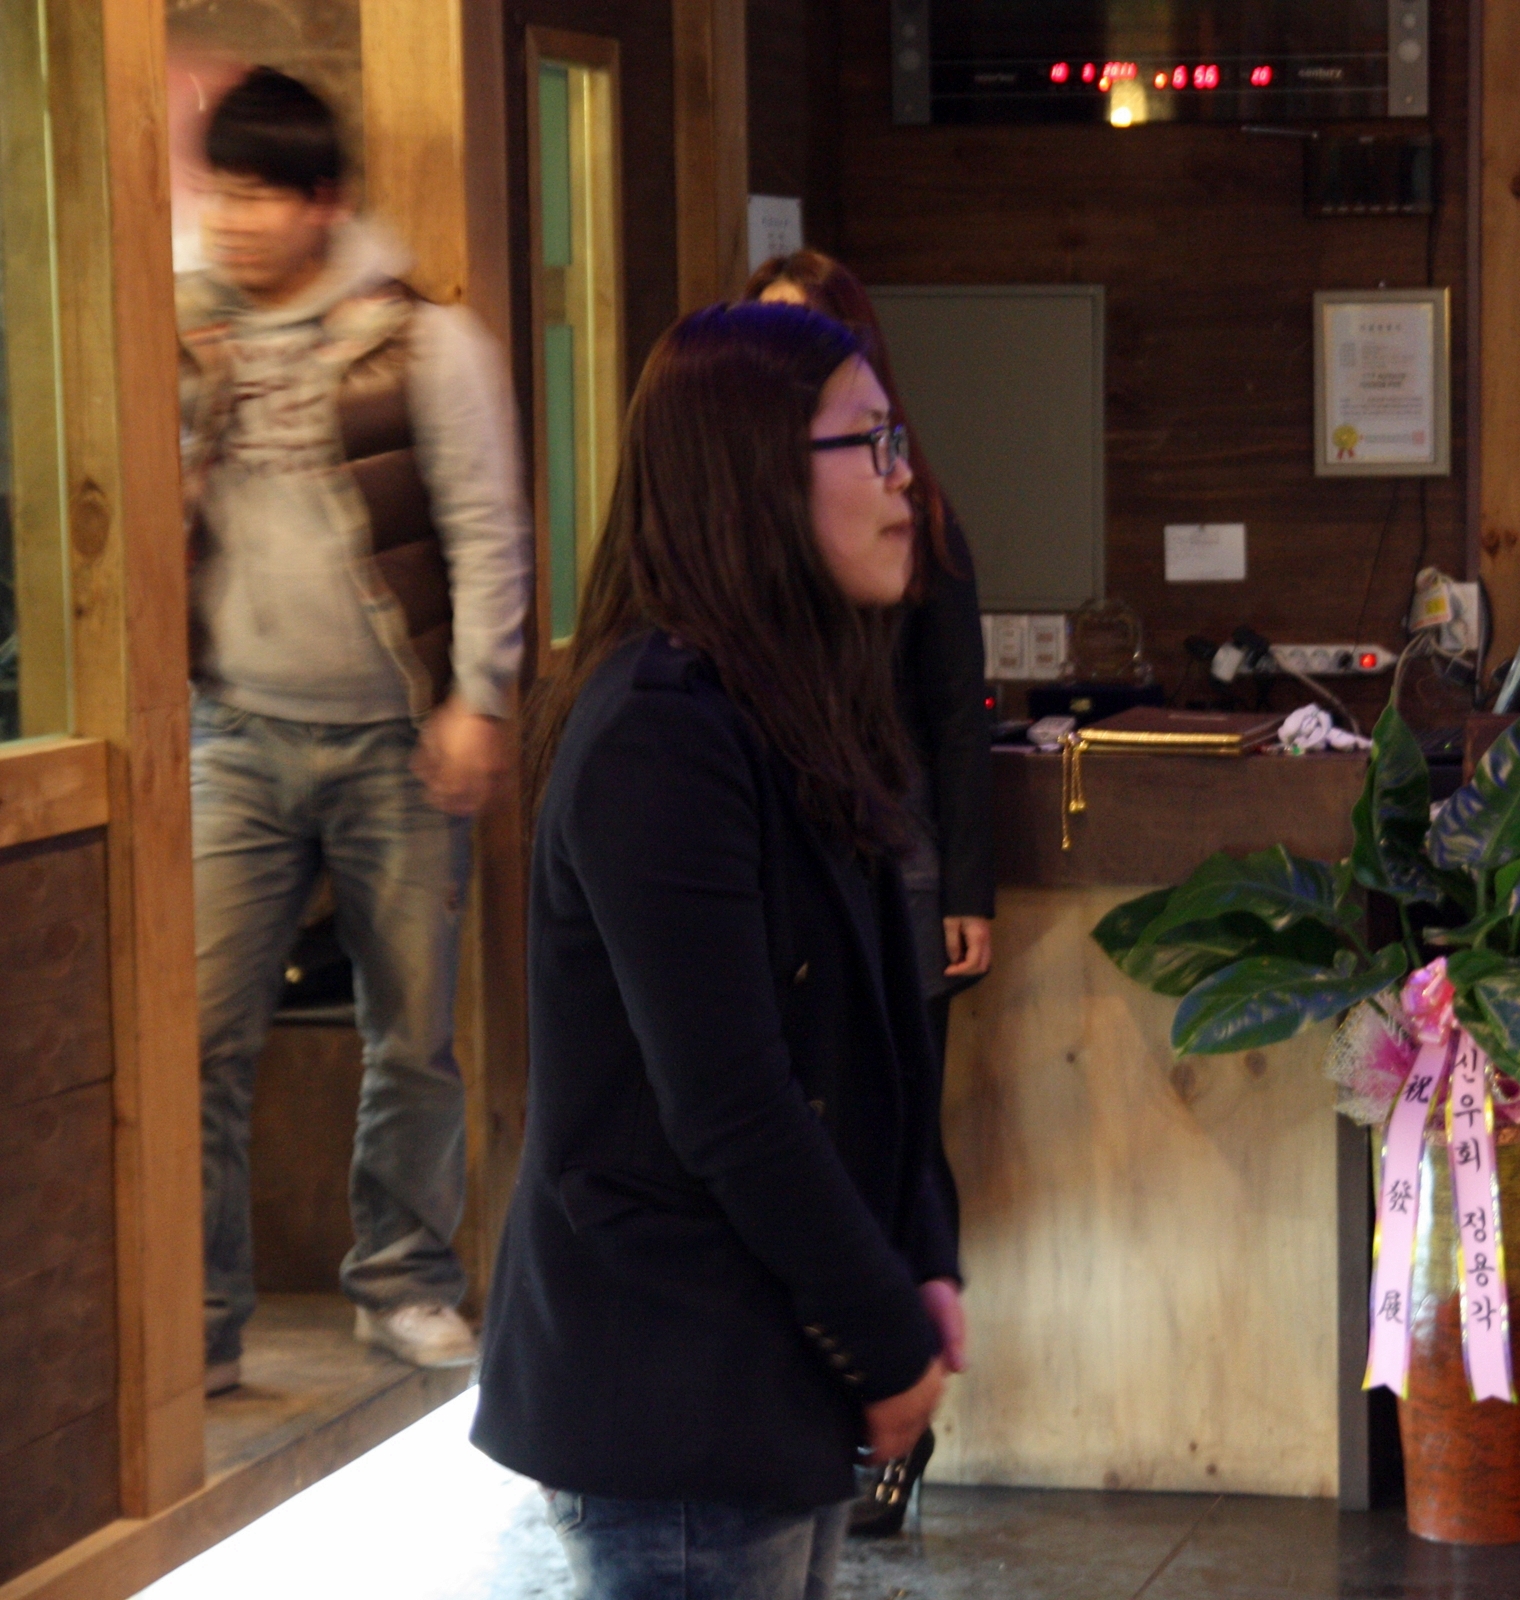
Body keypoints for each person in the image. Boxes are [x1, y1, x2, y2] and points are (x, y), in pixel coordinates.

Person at [470, 302, 964, 1600]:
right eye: (870, 443)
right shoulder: (660, 732)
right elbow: (733, 1100)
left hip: (766, 1361)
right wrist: (883, 1331)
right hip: (669, 1370)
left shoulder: (789, 702)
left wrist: (921, 1252)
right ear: (752, 476)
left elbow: (875, 1032)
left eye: (899, 438)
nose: (906, 481)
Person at [180, 67, 527, 1393]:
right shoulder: (174, 330)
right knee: (197, 1037)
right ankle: (199, 1323)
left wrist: (478, 696)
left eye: (260, 196)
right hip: (232, 731)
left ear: (323, 202)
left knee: (412, 1034)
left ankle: (403, 1280)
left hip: (395, 740)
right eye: (220, 193)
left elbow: (486, 525)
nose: (232, 220)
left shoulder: (422, 342)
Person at [745, 250, 992, 1533]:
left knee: (895, 1135)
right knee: (799, 1126)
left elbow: (957, 714)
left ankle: (896, 1425)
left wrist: (966, 885)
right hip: (796, 850)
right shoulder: (746, 531)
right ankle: (830, 1403)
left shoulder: (913, 510)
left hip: (895, 851)